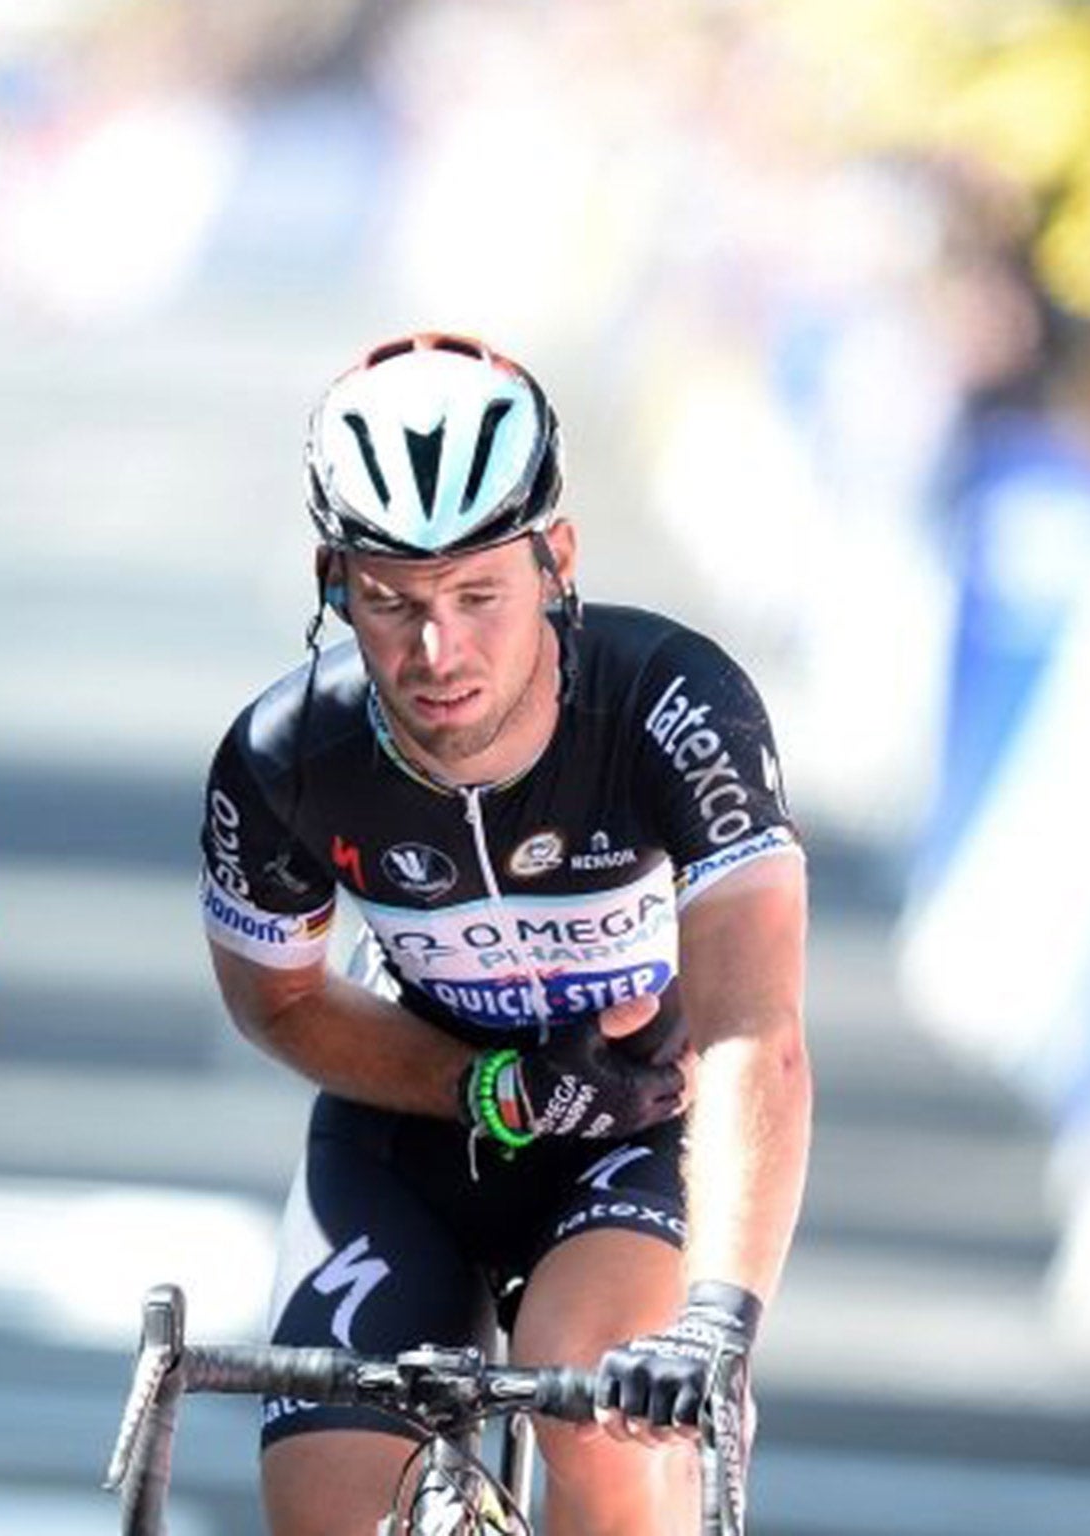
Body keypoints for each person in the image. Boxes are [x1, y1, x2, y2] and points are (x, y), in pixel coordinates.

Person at [198, 333, 810, 1534]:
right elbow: (279, 1000)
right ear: (333, 580)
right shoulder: (282, 760)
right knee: (321, 1495)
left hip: (638, 1138)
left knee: (594, 1402)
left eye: (479, 596)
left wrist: (716, 1317)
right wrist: (490, 1088)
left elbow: (752, 1028)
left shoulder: (670, 706)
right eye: (391, 605)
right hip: (413, 1139)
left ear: (555, 562)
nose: (439, 655)